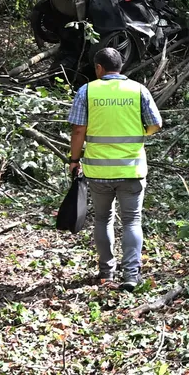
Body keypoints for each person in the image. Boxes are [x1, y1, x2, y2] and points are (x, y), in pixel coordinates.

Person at [67, 48, 162, 291]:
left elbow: (78, 130)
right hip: (131, 170)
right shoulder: (138, 90)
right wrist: (141, 133)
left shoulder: (87, 91)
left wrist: (74, 159)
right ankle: (131, 275)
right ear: (121, 66)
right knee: (132, 221)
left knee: (103, 219)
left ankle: (106, 273)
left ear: (99, 68)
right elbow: (156, 124)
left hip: (99, 172)